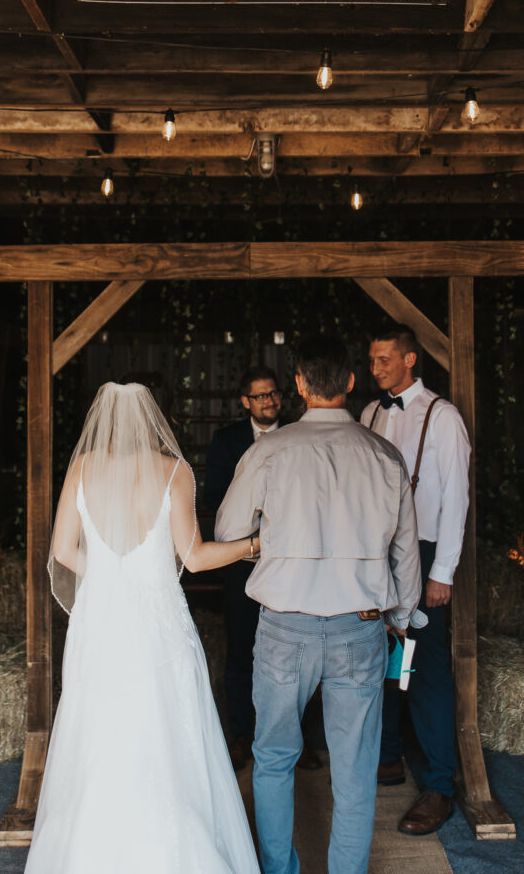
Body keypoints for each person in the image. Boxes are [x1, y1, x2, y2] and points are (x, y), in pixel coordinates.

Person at [25, 382, 261, 874]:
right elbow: (195, 559)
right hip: (159, 627)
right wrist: (254, 545)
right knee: (167, 738)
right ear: (158, 421)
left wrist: (112, 579)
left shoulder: (83, 468)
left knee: (99, 734)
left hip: (101, 623)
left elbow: (64, 551)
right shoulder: (174, 472)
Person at [215, 335, 422, 874]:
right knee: (354, 771)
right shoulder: (385, 456)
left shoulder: (268, 451)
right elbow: (406, 555)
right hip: (361, 628)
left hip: (285, 627)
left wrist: (274, 539)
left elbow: (227, 530)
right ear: (351, 383)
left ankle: (280, 870)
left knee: (274, 758)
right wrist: (399, 621)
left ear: (301, 386)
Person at [362, 324, 470, 836]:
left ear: (409, 359)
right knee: (378, 654)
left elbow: (456, 497)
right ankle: (387, 757)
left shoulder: (442, 416)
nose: (375, 368)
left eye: (384, 359)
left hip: (425, 552)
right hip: (376, 552)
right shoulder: (369, 413)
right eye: (372, 360)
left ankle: (439, 787)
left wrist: (442, 571)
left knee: (424, 666)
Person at [204, 365, 289, 770]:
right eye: (260, 396)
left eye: (273, 393)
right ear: (245, 402)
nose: (269, 401)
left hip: (292, 562)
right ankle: (241, 733)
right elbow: (216, 499)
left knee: (293, 651)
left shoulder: (298, 435)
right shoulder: (226, 442)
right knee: (241, 649)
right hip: (242, 561)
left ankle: (297, 739)